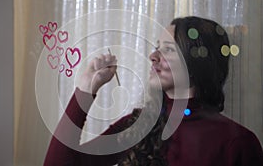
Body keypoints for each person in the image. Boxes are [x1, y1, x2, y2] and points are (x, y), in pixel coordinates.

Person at [44, 16, 263, 166]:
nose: (153, 57)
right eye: (157, 47)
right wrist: (85, 89)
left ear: (197, 63)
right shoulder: (137, 126)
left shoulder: (238, 142)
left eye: (168, 49)